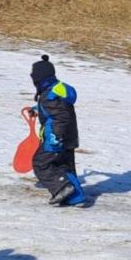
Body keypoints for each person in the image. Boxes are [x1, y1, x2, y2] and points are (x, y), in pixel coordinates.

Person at [27, 54, 86, 206]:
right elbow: (57, 110)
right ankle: (76, 197)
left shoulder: (48, 96)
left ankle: (62, 188)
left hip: (56, 137)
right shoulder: (57, 91)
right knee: (64, 167)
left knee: (41, 163)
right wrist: (38, 110)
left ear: (38, 78)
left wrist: (54, 136)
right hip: (68, 137)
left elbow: (60, 117)